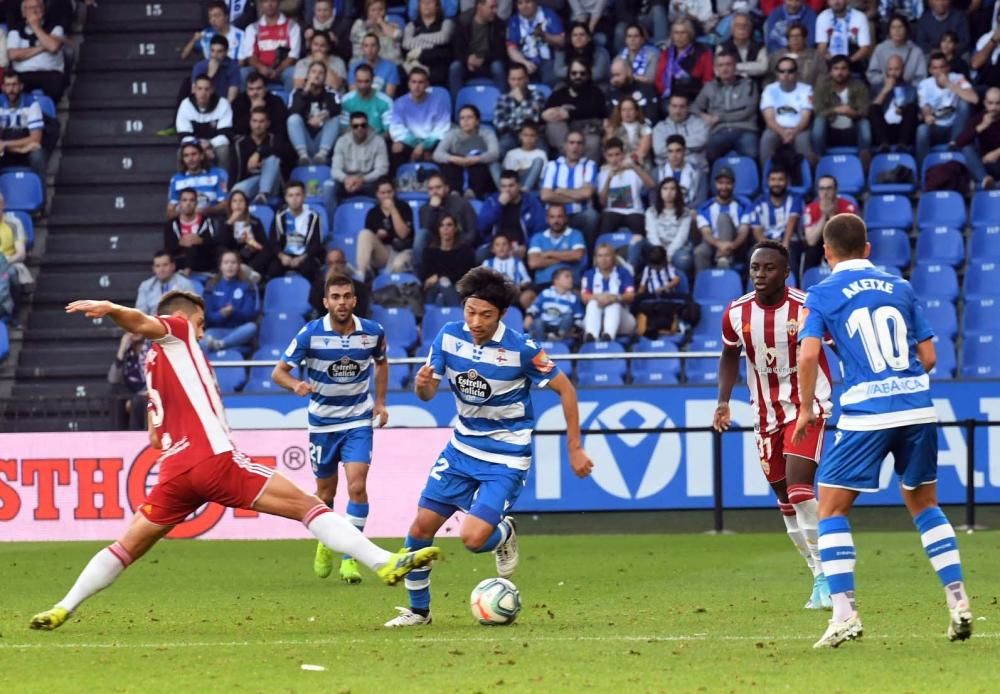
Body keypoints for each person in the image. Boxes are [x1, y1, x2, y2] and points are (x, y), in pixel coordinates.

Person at [29, 291, 440, 632]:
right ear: (185, 319)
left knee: (125, 547)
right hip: (212, 460)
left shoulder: (154, 365)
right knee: (308, 504)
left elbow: (155, 437)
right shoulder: (177, 332)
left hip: (174, 472)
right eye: (202, 322)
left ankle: (64, 605)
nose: (203, 331)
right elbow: (139, 322)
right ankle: (384, 562)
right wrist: (112, 309)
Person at [793, 213, 973, 648]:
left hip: (867, 413)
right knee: (925, 503)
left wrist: (804, 408)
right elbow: (928, 357)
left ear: (827, 253)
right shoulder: (901, 286)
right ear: (868, 250)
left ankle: (843, 613)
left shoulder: (820, 293)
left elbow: (807, 355)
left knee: (832, 509)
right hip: (917, 408)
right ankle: (959, 600)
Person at [383, 266, 592, 627]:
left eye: (486, 315)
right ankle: (419, 611)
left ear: (502, 315)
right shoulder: (448, 338)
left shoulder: (523, 349)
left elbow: (567, 390)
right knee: (419, 529)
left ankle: (503, 532)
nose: (476, 321)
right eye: (470, 311)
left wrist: (574, 447)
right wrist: (421, 386)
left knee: (473, 539)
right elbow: (428, 394)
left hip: (506, 456)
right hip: (461, 449)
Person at [713, 240, 834, 614]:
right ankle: (818, 575)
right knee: (785, 503)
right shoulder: (736, 313)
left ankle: (832, 574)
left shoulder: (806, 307)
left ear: (785, 273)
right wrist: (722, 401)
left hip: (806, 408)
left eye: (768, 268)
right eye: (755, 269)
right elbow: (729, 356)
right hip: (764, 415)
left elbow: (834, 346)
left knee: (800, 490)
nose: (760, 275)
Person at [272, 272, 390, 584]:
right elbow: (279, 372)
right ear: (326, 302)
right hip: (322, 424)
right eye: (335, 297)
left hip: (357, 421)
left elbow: (382, 363)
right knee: (325, 494)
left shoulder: (373, 332)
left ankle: (351, 558)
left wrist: (379, 402)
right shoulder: (310, 334)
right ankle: (326, 540)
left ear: (355, 299)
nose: (342, 302)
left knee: (357, 487)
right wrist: (295, 383)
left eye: (347, 296)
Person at [691, 51, 759, 164]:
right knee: (708, 155)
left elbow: (748, 111)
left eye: (728, 64)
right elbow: (694, 108)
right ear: (716, 68)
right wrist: (704, 115)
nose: (725, 69)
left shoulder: (748, 84)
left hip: (745, 130)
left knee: (752, 154)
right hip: (719, 131)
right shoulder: (710, 87)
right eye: (721, 65)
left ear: (735, 66)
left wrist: (719, 118)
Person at [916, 51, 978, 165]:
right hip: (936, 127)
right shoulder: (924, 84)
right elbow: (924, 106)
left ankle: (954, 145)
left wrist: (949, 84)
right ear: (930, 70)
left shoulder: (958, 78)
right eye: (935, 68)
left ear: (948, 67)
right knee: (921, 130)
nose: (939, 71)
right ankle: (922, 170)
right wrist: (927, 115)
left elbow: (974, 99)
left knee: (964, 104)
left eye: (942, 67)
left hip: (956, 127)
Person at [540, 131, 599, 249]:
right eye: (571, 142)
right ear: (565, 146)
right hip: (555, 215)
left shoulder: (589, 165)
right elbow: (545, 196)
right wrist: (576, 198)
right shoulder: (553, 165)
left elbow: (587, 193)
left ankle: (588, 256)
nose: (575, 146)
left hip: (580, 214)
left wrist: (561, 191)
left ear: (583, 147)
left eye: (579, 143)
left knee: (591, 216)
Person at [541, 60, 608, 163]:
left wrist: (568, 114)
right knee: (553, 125)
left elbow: (597, 110)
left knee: (593, 142)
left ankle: (586, 171)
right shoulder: (559, 93)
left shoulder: (596, 92)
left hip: (587, 131)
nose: (578, 76)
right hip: (563, 136)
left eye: (582, 73)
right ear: (569, 74)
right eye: (574, 73)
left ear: (588, 75)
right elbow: (546, 111)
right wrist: (545, 114)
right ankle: (567, 163)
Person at [388, 67, 452, 170]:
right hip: (410, 142)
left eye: (421, 82)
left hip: (432, 142)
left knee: (445, 145)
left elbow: (442, 129)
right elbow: (396, 129)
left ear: (427, 84)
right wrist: (417, 145)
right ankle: (398, 179)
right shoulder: (400, 103)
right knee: (397, 147)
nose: (417, 86)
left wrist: (424, 146)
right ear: (408, 84)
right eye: (413, 82)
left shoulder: (439, 102)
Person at [811, 55, 871, 162]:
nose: (839, 72)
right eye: (836, 68)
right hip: (830, 130)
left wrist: (853, 113)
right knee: (818, 122)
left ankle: (864, 162)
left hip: (852, 129)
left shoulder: (859, 85)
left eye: (843, 68)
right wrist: (836, 110)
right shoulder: (822, 86)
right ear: (830, 71)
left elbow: (865, 110)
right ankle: (819, 160)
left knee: (864, 123)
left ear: (849, 71)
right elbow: (818, 110)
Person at [759, 56, 815, 169]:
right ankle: (767, 178)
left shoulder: (807, 89)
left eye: (790, 71)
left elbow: (805, 119)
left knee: (803, 141)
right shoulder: (769, 89)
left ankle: (809, 179)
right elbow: (769, 120)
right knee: (767, 138)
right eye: (782, 71)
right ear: (777, 73)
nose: (786, 74)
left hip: (800, 129)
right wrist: (783, 133)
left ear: (796, 73)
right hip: (775, 129)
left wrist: (793, 133)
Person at [328, 110, 389, 212]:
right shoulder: (342, 141)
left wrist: (363, 179)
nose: (359, 128)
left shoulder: (378, 141)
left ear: (367, 126)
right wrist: (346, 179)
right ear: (351, 127)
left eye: (363, 125)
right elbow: (335, 170)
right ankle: (331, 224)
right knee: (328, 187)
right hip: (347, 182)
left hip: (369, 181)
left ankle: (381, 220)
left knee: (384, 187)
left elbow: (382, 169)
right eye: (355, 126)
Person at [433, 104, 500, 198]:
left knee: (482, 160)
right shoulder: (452, 134)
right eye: (462, 118)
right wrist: (454, 158)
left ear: (477, 121)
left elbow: (495, 153)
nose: (465, 121)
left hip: (479, 172)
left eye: (469, 117)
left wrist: (476, 159)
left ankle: (472, 192)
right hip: (458, 170)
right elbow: (437, 154)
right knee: (448, 162)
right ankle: (454, 192)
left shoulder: (487, 133)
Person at [232, 106, 295, 202]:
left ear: (268, 123)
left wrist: (259, 153)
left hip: (274, 184)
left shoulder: (275, 139)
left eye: (261, 121)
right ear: (250, 122)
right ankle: (259, 197)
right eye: (255, 121)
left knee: (272, 158)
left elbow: (282, 151)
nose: (258, 125)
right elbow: (236, 171)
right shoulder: (240, 143)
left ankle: (263, 194)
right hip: (252, 183)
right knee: (236, 190)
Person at [6, 0, 66, 101]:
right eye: (29, 8)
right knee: (12, 84)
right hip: (23, 75)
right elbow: (13, 55)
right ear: (23, 13)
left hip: (50, 74)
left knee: (55, 84)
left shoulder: (55, 27)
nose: (33, 11)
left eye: (37, 7)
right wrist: (42, 47)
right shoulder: (16, 30)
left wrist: (35, 26)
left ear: (43, 10)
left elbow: (53, 47)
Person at [694, 167, 752, 271]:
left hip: (737, 245)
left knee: (723, 217)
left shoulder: (743, 205)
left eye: (728, 183)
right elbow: (706, 232)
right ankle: (703, 284)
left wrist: (732, 246)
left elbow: (744, 231)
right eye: (720, 183)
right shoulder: (705, 208)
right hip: (713, 243)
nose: (724, 187)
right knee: (700, 252)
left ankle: (723, 259)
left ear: (734, 184)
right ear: (715, 184)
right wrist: (720, 245)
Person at [201, 249, 259, 353]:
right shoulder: (211, 286)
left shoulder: (247, 285)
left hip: (239, 330)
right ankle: (226, 344)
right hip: (218, 330)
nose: (230, 266)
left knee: (252, 327)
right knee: (203, 338)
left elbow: (249, 315)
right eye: (226, 263)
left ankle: (221, 344)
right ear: (220, 266)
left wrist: (233, 312)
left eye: (233, 263)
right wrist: (221, 315)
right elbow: (208, 316)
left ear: (238, 266)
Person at [356, 175, 415, 276]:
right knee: (364, 234)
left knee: (398, 265)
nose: (386, 196)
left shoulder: (404, 207)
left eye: (389, 192)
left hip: (403, 250)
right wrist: (377, 237)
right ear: (377, 195)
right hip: (384, 251)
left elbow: (403, 234)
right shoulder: (373, 212)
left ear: (394, 192)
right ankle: (361, 274)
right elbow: (368, 240)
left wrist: (393, 210)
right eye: (382, 193)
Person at [597, 137, 656, 237]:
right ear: (606, 157)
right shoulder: (603, 173)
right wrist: (608, 180)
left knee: (639, 234)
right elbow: (602, 202)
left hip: (634, 212)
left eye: (617, 154)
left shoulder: (633, 170)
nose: (614, 159)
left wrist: (634, 167)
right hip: (612, 212)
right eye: (610, 155)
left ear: (623, 154)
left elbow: (652, 185)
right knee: (604, 231)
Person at [416, 172, 478, 266]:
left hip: (460, 248)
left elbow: (472, 231)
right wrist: (433, 209)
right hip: (436, 251)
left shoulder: (462, 204)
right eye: (431, 189)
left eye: (438, 187)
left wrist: (455, 244)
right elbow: (426, 234)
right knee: (421, 235)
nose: (435, 192)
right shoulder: (425, 209)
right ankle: (423, 279)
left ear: (446, 188)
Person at [176, 75, 234, 174]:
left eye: (207, 89)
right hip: (194, 145)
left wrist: (209, 144)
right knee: (180, 153)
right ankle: (183, 184)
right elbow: (184, 136)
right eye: (200, 89)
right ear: (194, 89)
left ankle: (224, 184)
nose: (203, 93)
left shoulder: (223, 104)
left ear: (212, 90)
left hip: (215, 146)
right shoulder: (186, 104)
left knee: (223, 151)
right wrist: (199, 147)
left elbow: (225, 135)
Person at [240, 0, 303, 92]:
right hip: (259, 70)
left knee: (292, 73)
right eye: (265, 1)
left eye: (273, 1)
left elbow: (293, 56)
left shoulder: (292, 26)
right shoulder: (252, 28)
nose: (269, 5)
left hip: (282, 70)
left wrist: (278, 70)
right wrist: (262, 68)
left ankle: (290, 105)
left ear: (279, 3)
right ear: (261, 4)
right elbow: (250, 56)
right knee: (244, 73)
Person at [268, 181, 325, 281]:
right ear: (286, 198)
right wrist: (281, 256)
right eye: (290, 195)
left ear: (304, 196)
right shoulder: (279, 216)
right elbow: (273, 241)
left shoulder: (314, 217)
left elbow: (316, 243)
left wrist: (301, 258)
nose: (294, 199)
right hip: (285, 256)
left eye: (298, 195)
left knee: (309, 269)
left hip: (305, 256)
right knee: (273, 269)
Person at [288, 61, 342, 165]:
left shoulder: (330, 92)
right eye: (313, 72)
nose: (317, 75)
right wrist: (306, 92)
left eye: (321, 73)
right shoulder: (297, 92)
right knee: (293, 119)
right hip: (305, 139)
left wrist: (322, 116)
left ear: (325, 77)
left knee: (335, 118)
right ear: (308, 75)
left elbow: (337, 108)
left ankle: (322, 155)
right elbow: (293, 111)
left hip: (322, 139)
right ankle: (303, 156)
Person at [449, 0, 507, 96]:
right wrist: (467, 59)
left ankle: (503, 102)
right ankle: (457, 105)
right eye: (492, 7)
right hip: (467, 64)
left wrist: (483, 59)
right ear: (480, 6)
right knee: (455, 68)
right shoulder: (462, 21)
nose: (495, 11)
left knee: (498, 67)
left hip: (488, 63)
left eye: (496, 7)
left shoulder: (498, 24)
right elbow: (456, 48)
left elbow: (499, 51)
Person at [751, 165, 803, 270]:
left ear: (787, 182)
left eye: (780, 180)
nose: (776, 183)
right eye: (773, 180)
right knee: (753, 255)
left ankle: (791, 284)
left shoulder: (795, 199)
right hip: (766, 241)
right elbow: (757, 230)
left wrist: (784, 245)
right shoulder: (759, 202)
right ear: (768, 182)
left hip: (789, 241)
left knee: (790, 255)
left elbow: (792, 222)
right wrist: (767, 247)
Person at [802, 174, 857, 272]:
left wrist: (832, 214)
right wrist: (823, 216)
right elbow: (811, 240)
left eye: (829, 188)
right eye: (822, 189)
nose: (825, 193)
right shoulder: (810, 208)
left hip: (841, 245)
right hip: (819, 244)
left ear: (836, 190)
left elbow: (845, 240)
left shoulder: (848, 207)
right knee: (810, 251)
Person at [581, 243, 636, 341]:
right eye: (600, 256)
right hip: (596, 320)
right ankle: (592, 337)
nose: (603, 259)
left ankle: (608, 337)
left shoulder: (623, 273)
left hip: (622, 321)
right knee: (593, 303)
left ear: (614, 257)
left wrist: (613, 298)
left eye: (607, 255)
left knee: (613, 303)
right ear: (595, 259)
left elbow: (630, 296)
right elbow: (584, 298)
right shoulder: (589, 274)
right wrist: (599, 297)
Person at [506, 0, 565, 86]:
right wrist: (524, 62)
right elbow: (511, 48)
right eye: (520, 3)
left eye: (527, 2)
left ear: (535, 2)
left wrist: (544, 35)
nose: (524, 6)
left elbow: (562, 41)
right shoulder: (514, 20)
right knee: (518, 78)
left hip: (547, 59)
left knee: (551, 79)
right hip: (525, 60)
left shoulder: (549, 14)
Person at [654, 19, 714, 104]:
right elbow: (658, 79)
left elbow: (708, 81)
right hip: (669, 98)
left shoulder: (703, 52)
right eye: (676, 33)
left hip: (694, 99)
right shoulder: (666, 54)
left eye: (683, 33)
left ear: (690, 34)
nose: (679, 37)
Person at [645, 176, 695, 278]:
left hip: (677, 248)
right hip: (657, 248)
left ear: (677, 192)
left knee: (683, 260)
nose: (669, 192)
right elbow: (652, 235)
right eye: (665, 188)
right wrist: (661, 253)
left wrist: (669, 254)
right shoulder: (651, 212)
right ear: (660, 192)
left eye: (672, 189)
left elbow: (681, 237)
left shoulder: (686, 213)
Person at [527, 203, 587, 287]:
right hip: (544, 284)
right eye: (552, 217)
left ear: (566, 218)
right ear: (547, 219)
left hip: (569, 285)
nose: (556, 221)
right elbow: (533, 263)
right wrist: (566, 258)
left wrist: (549, 253)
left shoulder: (576, 234)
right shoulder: (537, 237)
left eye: (560, 216)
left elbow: (577, 255)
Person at [421, 214, 476, 305]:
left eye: (449, 225)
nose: (445, 228)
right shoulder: (429, 252)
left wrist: (439, 276)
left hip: (457, 291)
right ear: (438, 229)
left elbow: (465, 277)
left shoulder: (465, 251)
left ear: (455, 228)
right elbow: (426, 277)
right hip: (433, 290)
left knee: (443, 287)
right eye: (441, 225)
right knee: (439, 291)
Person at [869, 54, 920, 152]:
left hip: (904, 130)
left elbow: (916, 115)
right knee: (873, 108)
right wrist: (885, 91)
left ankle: (902, 145)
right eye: (890, 69)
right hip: (883, 130)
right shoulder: (877, 87)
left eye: (896, 69)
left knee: (912, 108)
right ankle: (884, 144)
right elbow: (872, 110)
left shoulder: (912, 89)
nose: (893, 73)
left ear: (903, 69)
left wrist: (903, 110)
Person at [218, 190, 273, 279]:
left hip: (252, 256)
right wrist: (230, 222)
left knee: (268, 250)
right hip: (234, 255)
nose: (238, 204)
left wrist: (255, 246)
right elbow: (222, 242)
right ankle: (243, 271)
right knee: (221, 250)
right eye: (234, 201)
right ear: (230, 205)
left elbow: (263, 243)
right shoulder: (224, 221)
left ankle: (249, 270)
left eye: (241, 201)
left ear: (246, 204)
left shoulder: (255, 221)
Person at [633, 244, 686, 337]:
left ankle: (675, 325)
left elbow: (676, 280)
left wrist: (665, 287)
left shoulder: (668, 268)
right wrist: (638, 296)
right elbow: (642, 286)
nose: (656, 268)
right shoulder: (647, 269)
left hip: (666, 295)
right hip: (652, 297)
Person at [953, 86, 1000, 190]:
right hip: (982, 164)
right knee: (966, 148)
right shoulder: (979, 118)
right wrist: (981, 126)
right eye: (991, 103)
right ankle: (985, 180)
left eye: (998, 103)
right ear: (985, 103)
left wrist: (997, 153)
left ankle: (985, 184)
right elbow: (959, 142)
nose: (994, 107)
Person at [0, 71, 45, 175]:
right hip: (12, 149)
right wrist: (20, 149)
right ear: (3, 87)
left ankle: (40, 190)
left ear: (21, 86)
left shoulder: (32, 103)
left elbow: (35, 139)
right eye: (8, 85)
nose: (11, 90)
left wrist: (6, 145)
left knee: (37, 155)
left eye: (14, 85)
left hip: (25, 150)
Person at [164, 189, 218, 275]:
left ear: (196, 203)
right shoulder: (172, 223)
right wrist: (180, 243)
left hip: (202, 264)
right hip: (179, 265)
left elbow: (214, 243)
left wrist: (201, 240)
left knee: (194, 247)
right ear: (180, 203)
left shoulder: (206, 221)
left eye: (191, 200)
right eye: (184, 200)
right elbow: (168, 246)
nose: (188, 203)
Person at [494, 64, 546, 153]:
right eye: (513, 79)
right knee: (501, 149)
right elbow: (500, 124)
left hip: (532, 134)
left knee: (542, 151)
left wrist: (522, 100)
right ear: (508, 80)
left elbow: (535, 119)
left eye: (520, 79)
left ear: (526, 79)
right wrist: (521, 123)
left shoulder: (537, 95)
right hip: (511, 135)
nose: (516, 83)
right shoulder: (502, 99)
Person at [866, 14, 927, 89]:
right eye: (893, 27)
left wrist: (907, 87)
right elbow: (871, 74)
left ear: (906, 29)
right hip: (884, 89)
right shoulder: (880, 49)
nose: (897, 31)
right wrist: (885, 80)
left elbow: (922, 78)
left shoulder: (916, 52)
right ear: (889, 30)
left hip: (909, 92)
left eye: (900, 27)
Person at [524, 266, 583, 340]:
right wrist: (529, 316)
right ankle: (541, 343)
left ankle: (557, 338)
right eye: (567, 276)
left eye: (572, 277)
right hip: (545, 325)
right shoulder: (546, 293)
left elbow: (579, 316)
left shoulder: (573, 298)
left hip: (561, 327)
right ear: (556, 280)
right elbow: (534, 308)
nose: (571, 279)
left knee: (568, 317)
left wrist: (576, 328)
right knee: (537, 321)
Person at [653, 93, 709, 170]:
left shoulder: (699, 123)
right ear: (668, 107)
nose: (677, 111)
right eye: (674, 106)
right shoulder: (660, 128)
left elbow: (701, 142)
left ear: (688, 108)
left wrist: (672, 149)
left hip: (696, 169)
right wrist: (689, 149)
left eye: (682, 107)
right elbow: (659, 151)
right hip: (667, 171)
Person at [134, 251, 198, 316]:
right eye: (157, 266)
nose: (161, 269)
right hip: (153, 323)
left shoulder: (185, 284)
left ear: (173, 266)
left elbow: (193, 311)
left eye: (165, 265)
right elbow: (140, 313)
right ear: (153, 269)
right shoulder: (145, 286)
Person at [815, 0, 872, 72]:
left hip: (854, 60)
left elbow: (865, 49)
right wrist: (836, 64)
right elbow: (821, 48)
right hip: (831, 61)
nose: (836, 1)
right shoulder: (822, 17)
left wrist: (847, 62)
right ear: (827, 1)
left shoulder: (860, 17)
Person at [108, 331, 148, 431]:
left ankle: (136, 436)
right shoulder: (127, 354)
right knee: (114, 392)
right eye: (130, 328)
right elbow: (113, 379)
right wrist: (121, 350)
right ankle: (118, 436)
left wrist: (137, 397)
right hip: (130, 394)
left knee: (137, 401)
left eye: (137, 327)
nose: (134, 331)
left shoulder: (152, 349)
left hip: (149, 393)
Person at [231, 71, 289, 138]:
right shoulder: (239, 101)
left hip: (271, 141)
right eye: (251, 89)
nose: (255, 92)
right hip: (246, 141)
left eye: (259, 88)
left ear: (266, 88)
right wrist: (252, 111)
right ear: (246, 90)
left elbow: (281, 128)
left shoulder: (276, 101)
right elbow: (237, 129)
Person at [766, 22, 823, 88]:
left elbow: (823, 79)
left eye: (798, 36)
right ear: (788, 39)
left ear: (805, 38)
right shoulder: (777, 56)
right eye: (792, 36)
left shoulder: (816, 57)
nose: (795, 39)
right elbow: (768, 78)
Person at [656, 134, 706, 208]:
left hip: (690, 213)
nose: (674, 155)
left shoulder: (698, 172)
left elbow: (701, 200)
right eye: (670, 151)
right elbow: (654, 199)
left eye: (678, 151)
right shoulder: (657, 172)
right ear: (667, 153)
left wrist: (683, 212)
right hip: (664, 214)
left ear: (684, 151)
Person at [608, 57, 660, 125]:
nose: (615, 79)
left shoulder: (646, 89)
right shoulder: (612, 91)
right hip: (619, 131)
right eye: (613, 76)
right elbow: (611, 117)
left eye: (618, 75)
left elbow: (652, 116)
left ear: (629, 72)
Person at [716, 12, 767, 81]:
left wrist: (733, 67)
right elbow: (718, 71)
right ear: (732, 29)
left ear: (750, 28)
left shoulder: (760, 46)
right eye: (738, 25)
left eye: (745, 25)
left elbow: (763, 68)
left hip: (755, 86)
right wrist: (751, 68)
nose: (741, 28)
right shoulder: (722, 47)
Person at [348, 33, 401, 97]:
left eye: (373, 45)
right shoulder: (354, 67)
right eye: (366, 46)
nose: (369, 50)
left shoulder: (391, 67)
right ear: (362, 48)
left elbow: (388, 97)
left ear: (379, 47)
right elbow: (354, 96)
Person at [604, 97, 652, 167]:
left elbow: (642, 152)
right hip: (617, 165)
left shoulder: (645, 128)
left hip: (640, 166)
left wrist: (627, 163)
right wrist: (609, 133)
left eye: (630, 109)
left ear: (636, 111)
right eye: (624, 110)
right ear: (619, 112)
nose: (627, 113)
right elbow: (610, 151)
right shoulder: (613, 128)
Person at [192, 35, 242, 103]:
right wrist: (209, 75)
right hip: (203, 105)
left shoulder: (233, 67)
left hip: (224, 107)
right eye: (212, 51)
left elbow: (232, 97)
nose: (215, 55)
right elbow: (194, 94)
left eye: (219, 51)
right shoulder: (200, 66)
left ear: (226, 52)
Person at [501, 122, 548, 190]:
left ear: (537, 137)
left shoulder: (541, 153)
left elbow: (542, 175)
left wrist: (526, 171)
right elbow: (509, 175)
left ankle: (525, 190)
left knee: (538, 161)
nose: (529, 139)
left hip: (534, 185)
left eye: (532, 135)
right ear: (520, 136)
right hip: (516, 184)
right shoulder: (512, 153)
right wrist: (528, 169)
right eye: (525, 135)